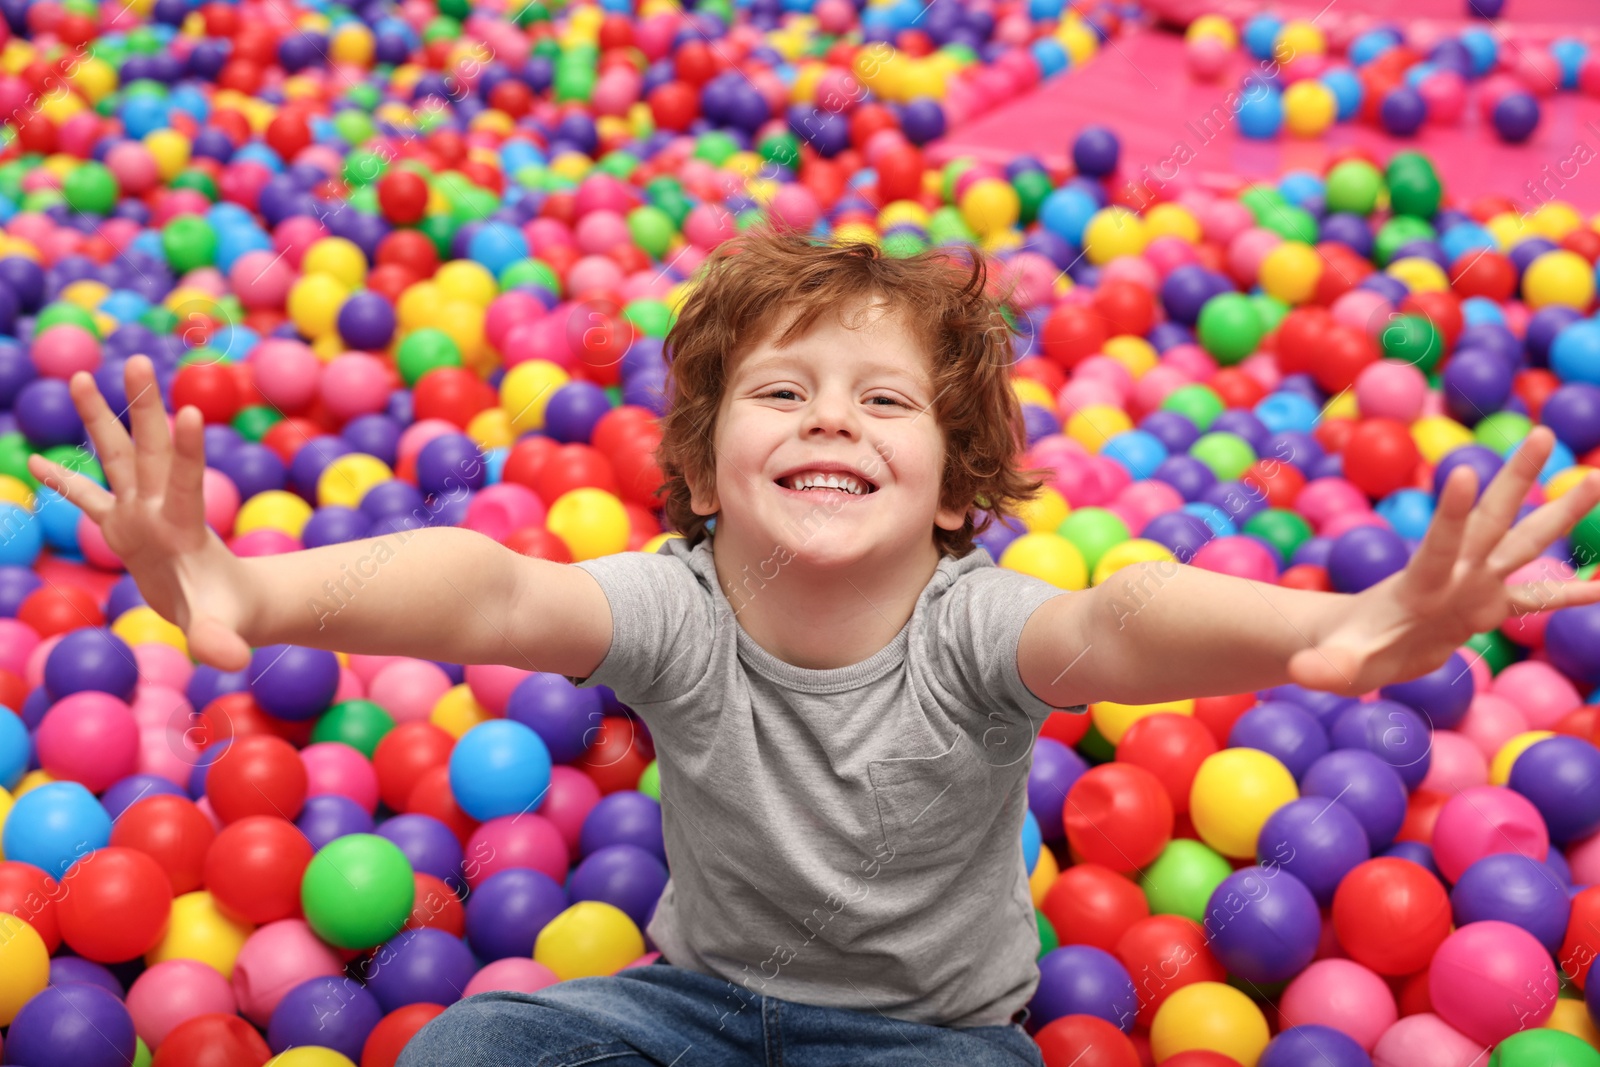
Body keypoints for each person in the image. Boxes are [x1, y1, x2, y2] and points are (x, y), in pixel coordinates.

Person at [32, 231, 1600, 1067]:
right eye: (784, 395)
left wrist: (1343, 630)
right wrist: (241, 587)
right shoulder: (678, 605)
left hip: (928, 1045)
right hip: (688, 1011)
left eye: (885, 400)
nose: (834, 415)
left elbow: (1122, 616)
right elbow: (489, 592)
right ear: (707, 475)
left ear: (957, 486)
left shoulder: (978, 623)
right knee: (483, 1037)